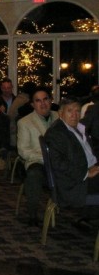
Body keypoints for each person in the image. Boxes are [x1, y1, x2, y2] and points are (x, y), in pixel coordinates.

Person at [45, 97, 99, 231]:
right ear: (60, 113)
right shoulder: (57, 133)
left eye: (77, 111)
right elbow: (58, 164)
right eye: (70, 111)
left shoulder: (78, 128)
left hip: (87, 173)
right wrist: (86, 173)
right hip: (73, 184)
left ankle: (87, 217)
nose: (75, 115)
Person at [16, 87, 59, 226]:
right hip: (37, 161)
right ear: (32, 104)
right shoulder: (25, 122)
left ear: (51, 100)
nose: (43, 103)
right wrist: (47, 158)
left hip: (61, 161)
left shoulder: (61, 117)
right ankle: (33, 214)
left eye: (45, 99)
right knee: (34, 174)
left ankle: (84, 215)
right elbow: (23, 151)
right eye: (38, 101)